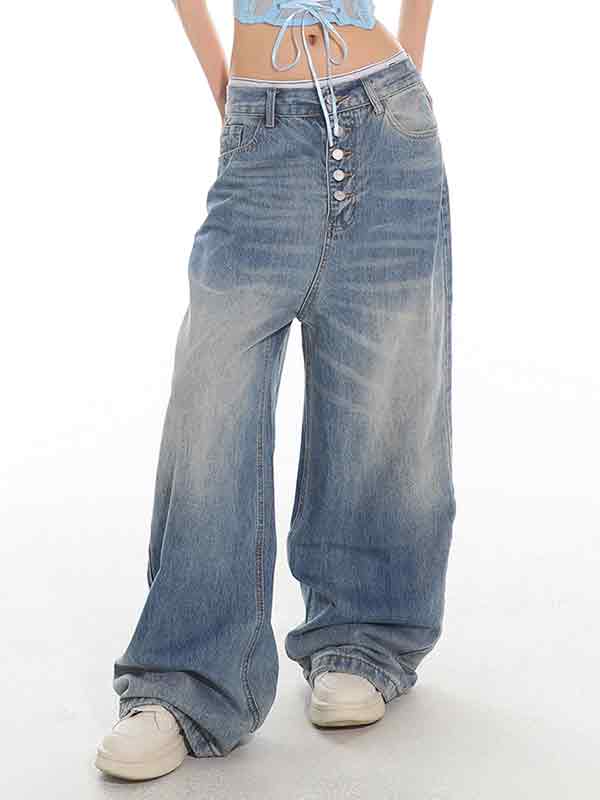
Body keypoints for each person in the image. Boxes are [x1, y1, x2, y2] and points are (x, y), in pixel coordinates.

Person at [95, 0, 456, 782]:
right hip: (261, 133)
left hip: (388, 119)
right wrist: (227, 90)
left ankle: (363, 637)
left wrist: (410, 75)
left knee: (383, 399)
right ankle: (186, 676)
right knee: (212, 400)